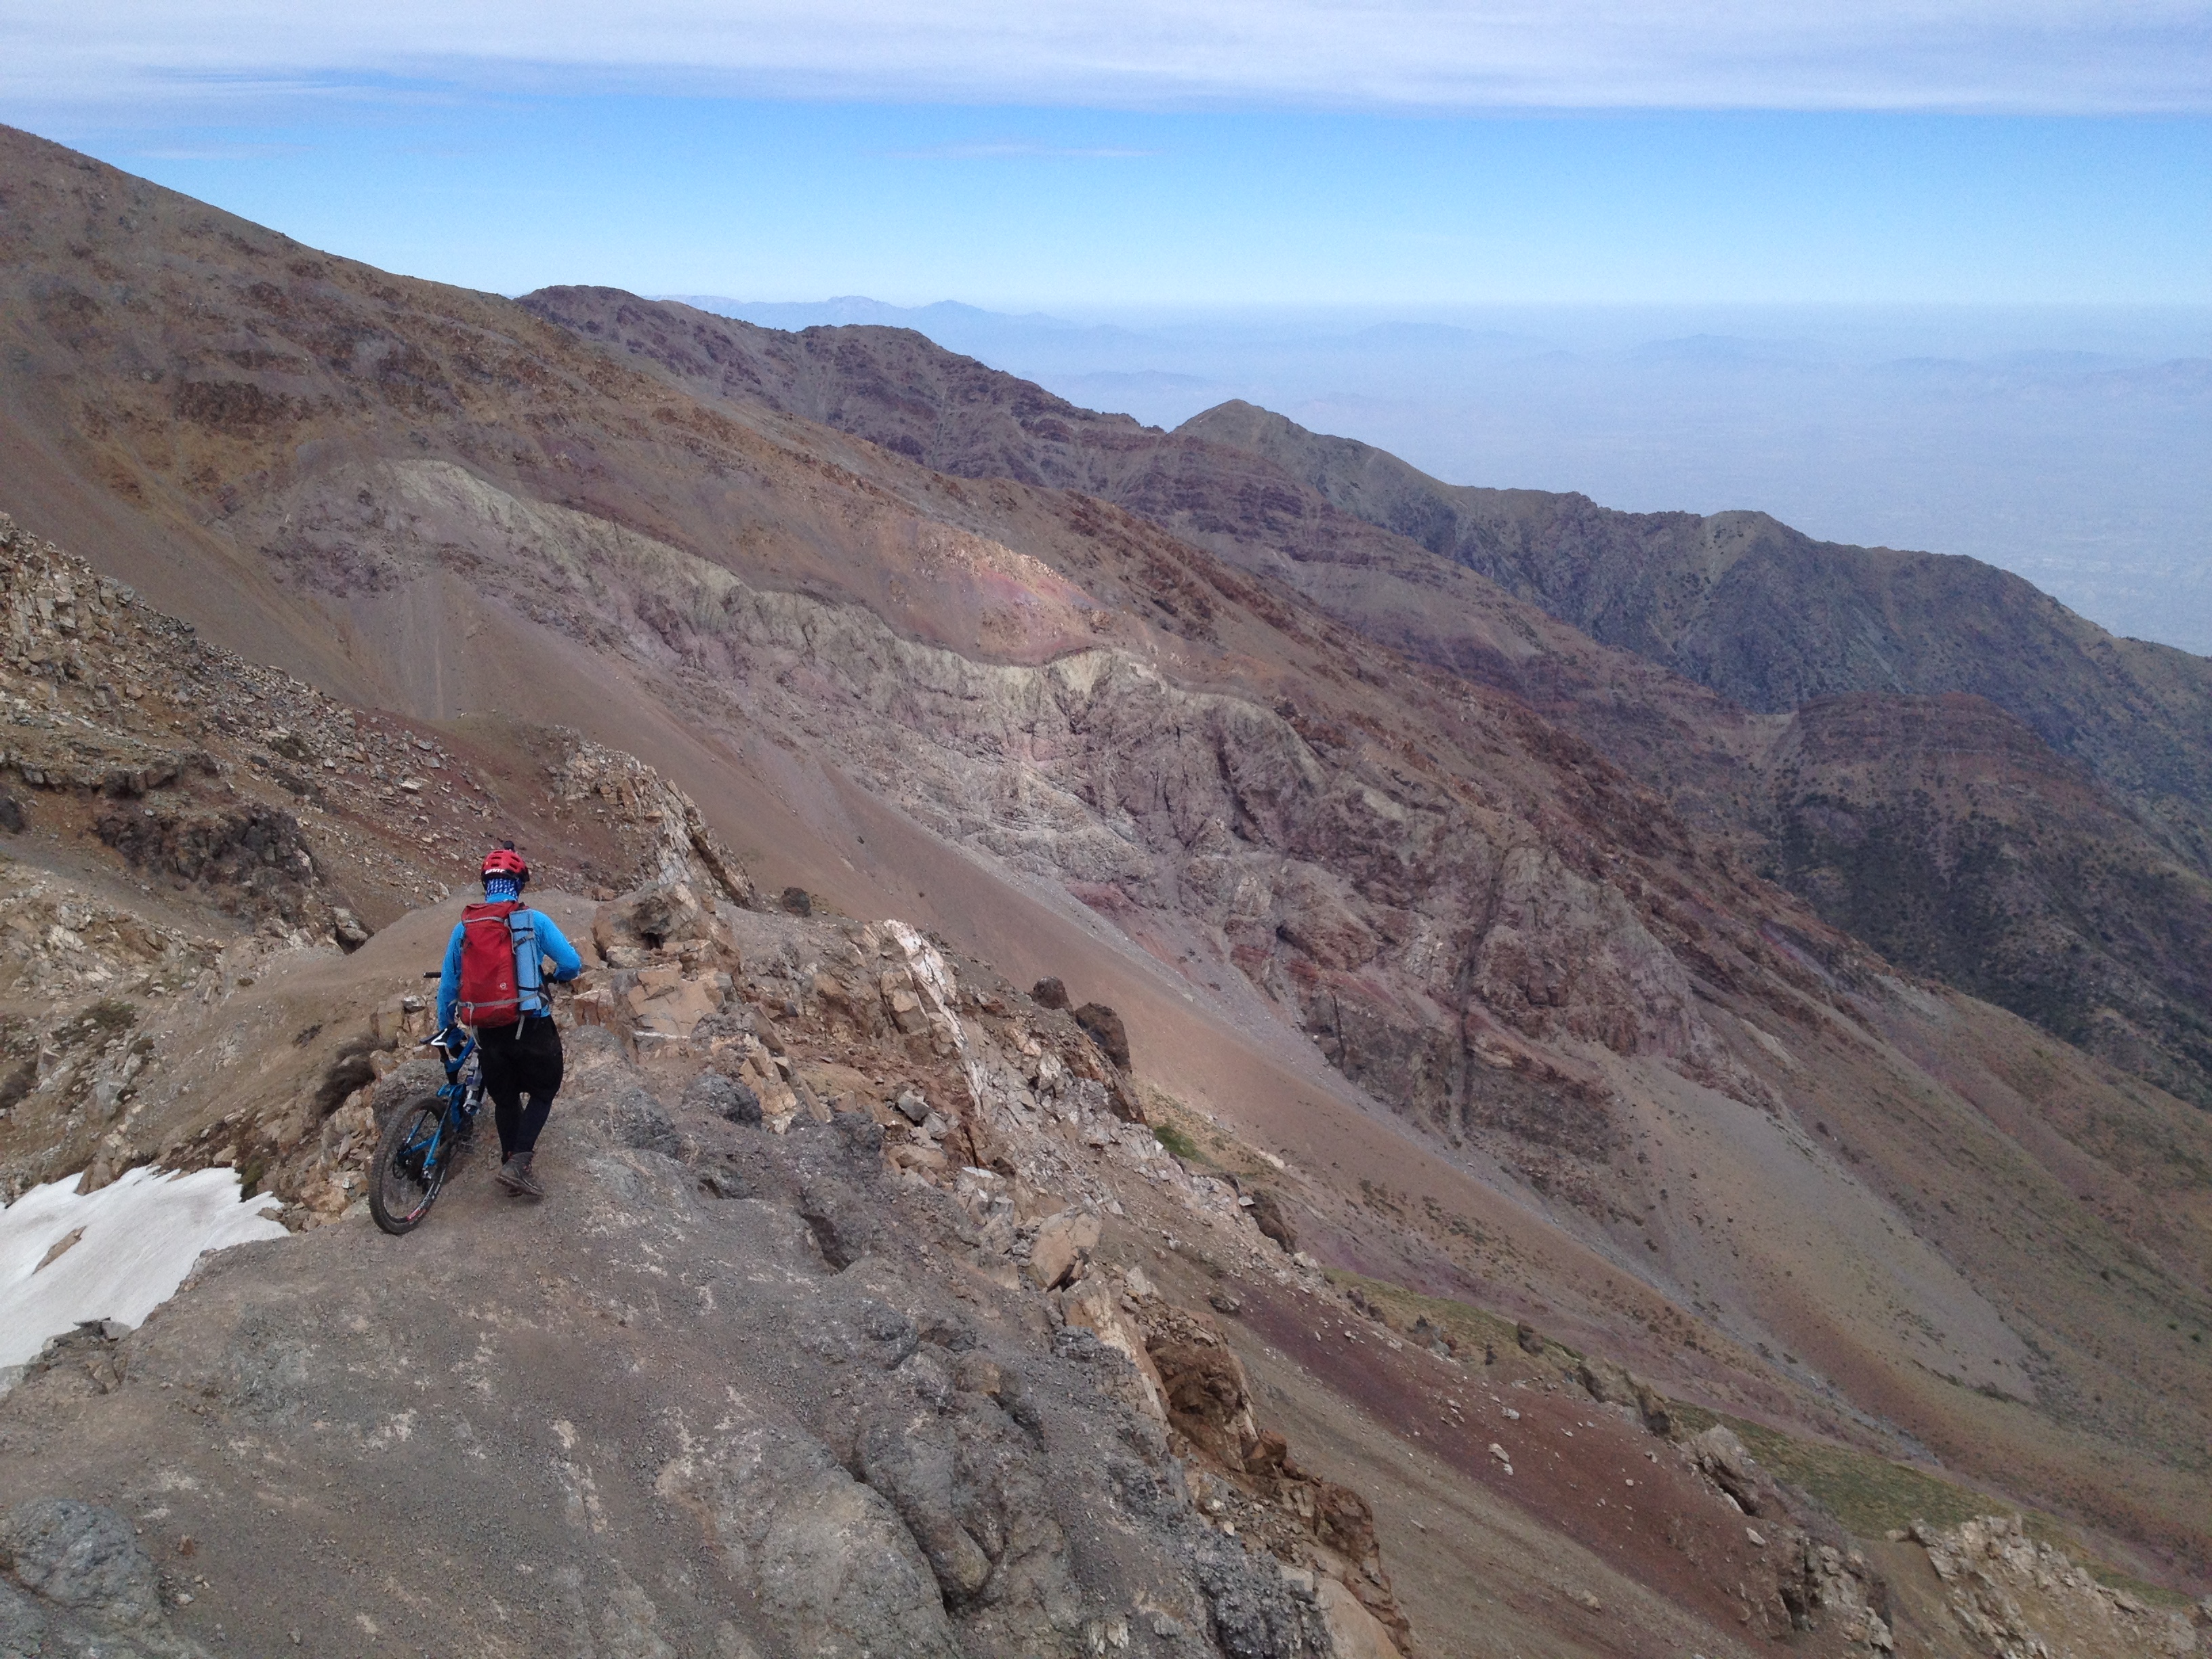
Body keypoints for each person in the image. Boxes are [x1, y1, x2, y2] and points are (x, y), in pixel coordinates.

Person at [436, 846, 584, 1198]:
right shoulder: (534, 920)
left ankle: (509, 1159)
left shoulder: (464, 928)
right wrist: (556, 976)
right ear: (519, 884)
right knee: (544, 1091)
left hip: (487, 1031)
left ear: (486, 884)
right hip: (531, 1025)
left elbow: (448, 987)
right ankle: (519, 1164)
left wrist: (448, 1027)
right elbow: (572, 963)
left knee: (505, 1099)